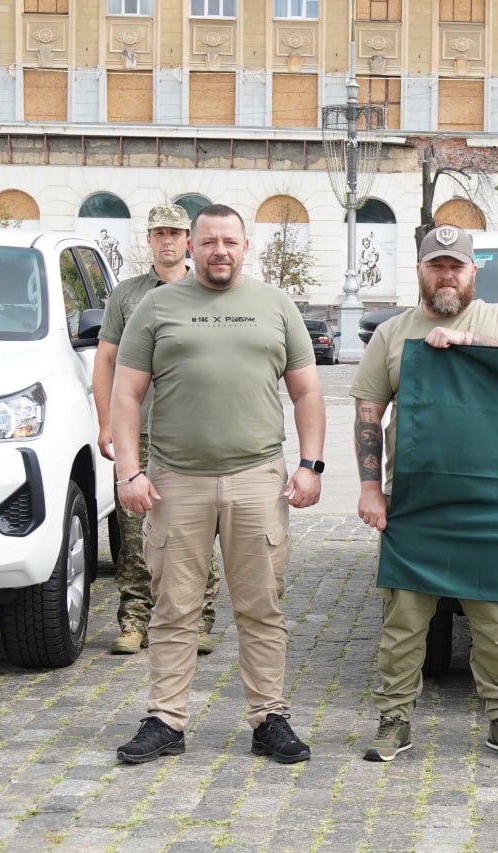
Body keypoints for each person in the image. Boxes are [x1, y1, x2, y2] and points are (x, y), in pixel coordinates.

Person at [111, 204, 325, 765]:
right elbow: (126, 394)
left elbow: (307, 391)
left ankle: (268, 718)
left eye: (229, 241)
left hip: (258, 479)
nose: (219, 251)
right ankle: (166, 719)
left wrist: (312, 464)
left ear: (245, 246)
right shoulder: (157, 307)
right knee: (174, 607)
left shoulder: (275, 305)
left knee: (261, 606)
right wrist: (128, 471)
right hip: (175, 481)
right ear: (191, 246)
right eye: (208, 242)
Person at [352, 225, 498, 763]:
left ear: (473, 271)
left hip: (485, 496)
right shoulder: (393, 333)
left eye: (456, 266)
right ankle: (394, 719)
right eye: (437, 265)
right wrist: (370, 488)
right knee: (405, 620)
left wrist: (469, 342)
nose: (447, 275)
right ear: (420, 271)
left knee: (493, 618)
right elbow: (368, 410)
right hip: (413, 499)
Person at [93, 203, 221, 656]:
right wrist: (106, 422)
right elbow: (106, 359)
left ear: (189, 240)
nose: (167, 241)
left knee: (196, 531)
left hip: (193, 434)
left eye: (176, 233)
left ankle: (200, 620)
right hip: (140, 432)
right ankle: (134, 621)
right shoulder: (127, 295)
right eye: (158, 233)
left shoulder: (208, 290)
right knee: (134, 534)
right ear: (148, 240)